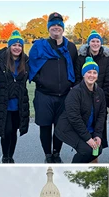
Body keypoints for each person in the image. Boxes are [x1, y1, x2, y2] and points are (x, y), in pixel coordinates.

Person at [28, 12, 79, 163]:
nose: (56, 27)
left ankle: (56, 153)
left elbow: (76, 68)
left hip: (64, 95)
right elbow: (32, 67)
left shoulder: (70, 47)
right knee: (45, 127)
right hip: (44, 94)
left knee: (60, 127)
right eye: (53, 25)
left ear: (63, 28)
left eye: (59, 25)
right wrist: (42, 81)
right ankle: (47, 155)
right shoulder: (39, 46)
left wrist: (72, 86)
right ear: (49, 28)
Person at [56, 56, 107, 163]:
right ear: (83, 74)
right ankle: (73, 170)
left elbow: (102, 115)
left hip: (86, 128)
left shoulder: (100, 92)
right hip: (69, 128)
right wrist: (88, 139)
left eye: (94, 72)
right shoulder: (75, 92)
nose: (91, 75)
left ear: (97, 75)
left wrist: (97, 135)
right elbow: (74, 118)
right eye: (89, 72)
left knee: (98, 149)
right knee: (86, 150)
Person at [0, 31, 30, 163]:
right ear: (9, 46)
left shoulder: (25, 61)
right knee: (6, 130)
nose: (17, 48)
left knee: (14, 130)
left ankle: (10, 156)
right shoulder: (0, 60)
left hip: (19, 102)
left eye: (19, 45)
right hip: (4, 102)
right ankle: (4, 155)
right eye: (14, 45)